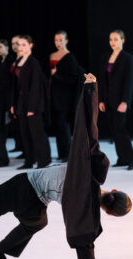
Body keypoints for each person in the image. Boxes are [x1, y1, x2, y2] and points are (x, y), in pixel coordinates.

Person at [0, 74, 131, 259]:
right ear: (107, 212)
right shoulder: (87, 212)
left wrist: (91, 90)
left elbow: (89, 131)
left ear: (114, 190)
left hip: (22, 188)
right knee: (37, 222)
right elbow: (86, 246)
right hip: (35, 203)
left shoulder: (93, 168)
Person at [98, 29, 133, 171]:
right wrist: (101, 100)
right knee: (114, 131)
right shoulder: (105, 57)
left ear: (122, 40)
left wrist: (125, 101)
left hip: (120, 101)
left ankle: (131, 159)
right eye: (110, 39)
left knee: (121, 129)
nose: (113, 42)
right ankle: (122, 158)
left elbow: (129, 81)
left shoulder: (127, 58)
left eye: (116, 39)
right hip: (108, 100)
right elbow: (102, 81)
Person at [11, 35, 51, 169]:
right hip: (21, 103)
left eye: (23, 45)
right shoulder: (19, 61)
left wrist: (32, 107)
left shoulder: (33, 62)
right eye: (19, 44)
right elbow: (15, 86)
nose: (20, 47)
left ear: (30, 45)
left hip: (33, 104)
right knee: (25, 133)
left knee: (37, 133)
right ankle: (29, 160)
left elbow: (36, 87)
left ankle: (44, 160)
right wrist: (13, 104)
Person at [49, 30, 81, 162]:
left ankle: (68, 153)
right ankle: (61, 153)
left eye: (61, 40)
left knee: (64, 124)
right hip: (54, 94)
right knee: (58, 124)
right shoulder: (52, 55)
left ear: (66, 41)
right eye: (56, 40)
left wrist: (57, 74)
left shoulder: (69, 57)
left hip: (65, 97)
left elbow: (73, 78)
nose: (58, 43)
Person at [8, 35, 24, 155]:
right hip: (14, 94)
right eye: (13, 43)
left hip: (22, 96)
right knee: (16, 124)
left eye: (17, 43)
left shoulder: (24, 59)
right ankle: (21, 147)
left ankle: (26, 149)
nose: (15, 46)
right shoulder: (15, 59)